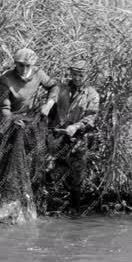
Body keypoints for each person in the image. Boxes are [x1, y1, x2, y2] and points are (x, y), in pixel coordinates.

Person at [49, 59, 100, 211]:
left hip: (78, 139)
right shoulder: (61, 89)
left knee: (76, 179)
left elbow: (90, 118)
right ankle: (47, 206)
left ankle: (75, 212)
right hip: (57, 136)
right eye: (74, 74)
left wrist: (75, 127)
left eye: (81, 75)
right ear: (70, 74)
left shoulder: (92, 95)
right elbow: (51, 110)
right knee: (48, 169)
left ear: (87, 76)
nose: (77, 78)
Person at [0, 47, 59, 126]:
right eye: (21, 65)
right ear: (15, 63)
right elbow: (4, 108)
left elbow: (54, 86)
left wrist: (48, 105)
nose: (24, 70)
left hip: (28, 115)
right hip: (9, 117)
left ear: (32, 65)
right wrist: (13, 120)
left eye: (28, 66)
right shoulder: (5, 79)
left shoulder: (38, 73)